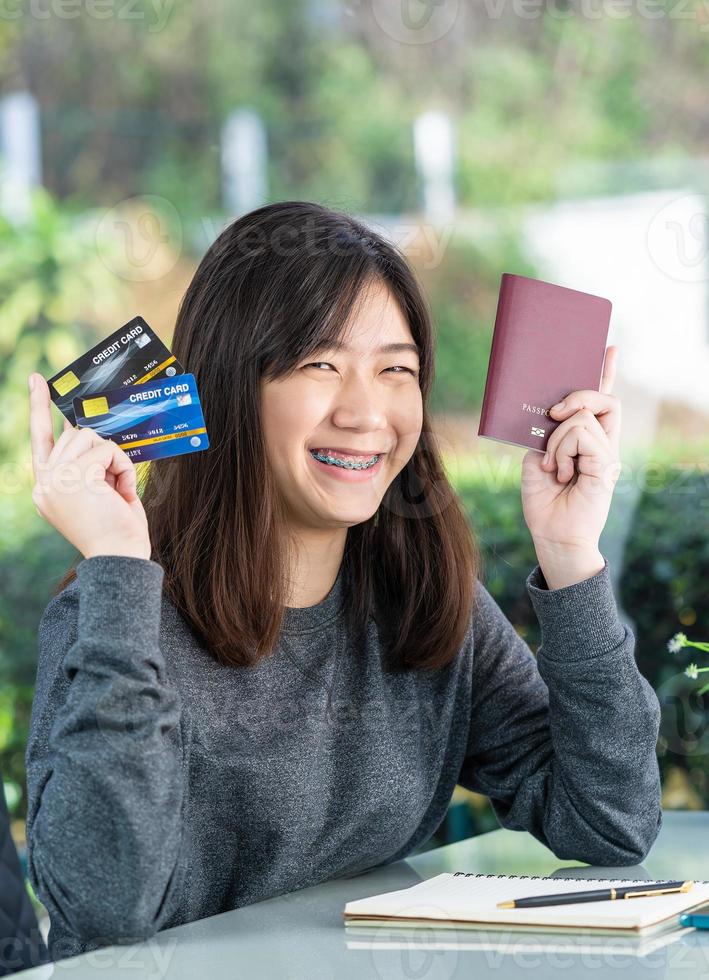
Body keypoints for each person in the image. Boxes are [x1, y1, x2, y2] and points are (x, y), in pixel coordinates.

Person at [25, 201, 661, 964]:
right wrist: (119, 571)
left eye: (396, 369)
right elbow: (105, 907)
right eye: (319, 364)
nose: (366, 413)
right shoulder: (116, 617)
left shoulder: (424, 599)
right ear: (230, 385)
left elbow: (611, 821)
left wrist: (570, 556)